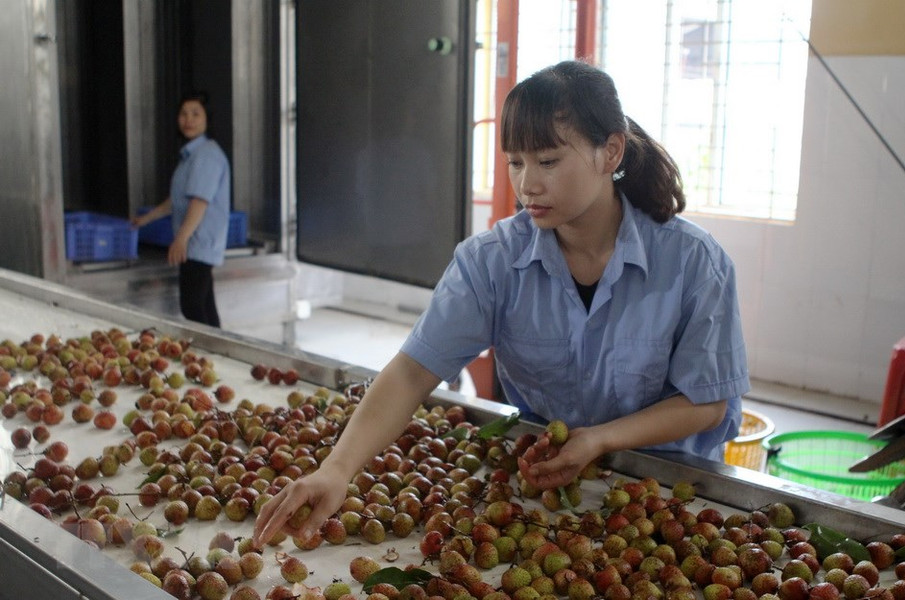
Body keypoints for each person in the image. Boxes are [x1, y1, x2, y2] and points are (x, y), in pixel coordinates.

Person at [252, 60, 749, 548]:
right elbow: (411, 373)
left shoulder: (691, 262)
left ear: (610, 153)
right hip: (547, 495)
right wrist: (337, 469)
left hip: (671, 504)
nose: (528, 183)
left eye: (548, 161)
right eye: (516, 161)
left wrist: (600, 439)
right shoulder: (491, 263)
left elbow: (706, 402)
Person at [133, 91, 231, 328]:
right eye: (184, 114)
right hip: (196, 243)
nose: (189, 119)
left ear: (208, 118)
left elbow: (199, 201)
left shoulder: (206, 154)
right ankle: (216, 355)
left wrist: (181, 239)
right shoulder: (192, 154)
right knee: (204, 307)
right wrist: (147, 219)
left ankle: (206, 358)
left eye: (196, 114)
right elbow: (179, 200)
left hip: (197, 243)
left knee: (193, 307)